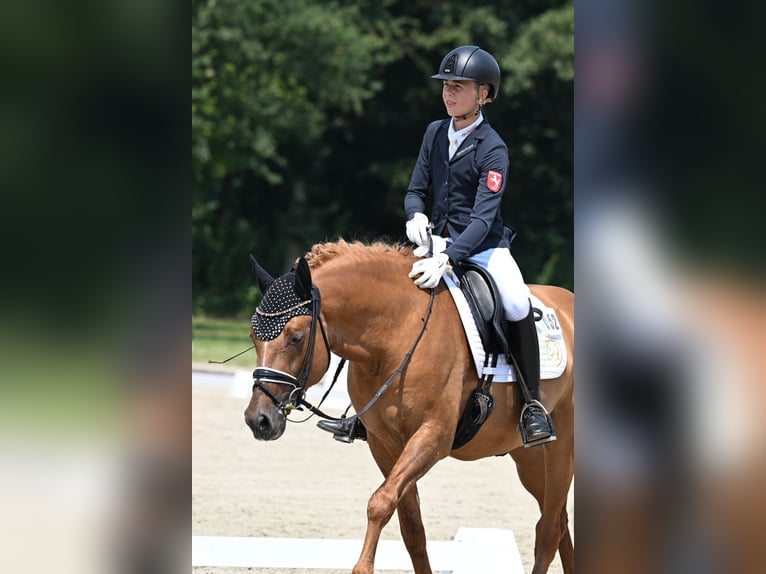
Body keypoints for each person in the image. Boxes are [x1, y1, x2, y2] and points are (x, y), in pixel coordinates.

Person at [318, 46, 555, 447]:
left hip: (483, 247)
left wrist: (448, 257)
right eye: (446, 85)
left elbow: (482, 219)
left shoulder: (493, 148)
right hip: (435, 242)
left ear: (484, 94)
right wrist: (415, 216)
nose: (449, 93)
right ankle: (365, 411)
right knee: (386, 301)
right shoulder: (433, 132)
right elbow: (416, 189)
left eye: (459, 86)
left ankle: (532, 405)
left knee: (516, 301)